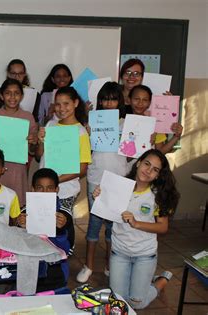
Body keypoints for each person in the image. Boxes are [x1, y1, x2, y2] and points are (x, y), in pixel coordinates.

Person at [93, 149, 179, 309]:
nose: (148, 170)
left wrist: (136, 223)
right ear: (138, 162)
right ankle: (146, 282)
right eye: (147, 164)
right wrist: (99, 197)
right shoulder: (119, 186)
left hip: (145, 255)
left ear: (158, 175)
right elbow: (107, 215)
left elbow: (163, 227)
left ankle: (160, 282)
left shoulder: (157, 195)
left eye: (155, 169)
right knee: (119, 302)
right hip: (119, 253)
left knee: (136, 304)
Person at [76, 82, 127, 283]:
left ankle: (109, 265)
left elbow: (131, 154)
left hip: (118, 179)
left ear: (120, 101)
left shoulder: (125, 123)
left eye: (113, 98)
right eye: (105, 99)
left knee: (113, 227)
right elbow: (84, 150)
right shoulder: (92, 121)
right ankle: (88, 265)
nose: (108, 103)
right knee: (94, 224)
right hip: (96, 178)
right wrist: (88, 132)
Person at [36, 86, 91, 254]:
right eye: (58, 104)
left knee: (62, 220)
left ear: (75, 103)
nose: (61, 108)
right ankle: (46, 251)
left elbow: (82, 169)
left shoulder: (81, 132)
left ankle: (66, 250)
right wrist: (40, 140)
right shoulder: (51, 125)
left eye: (66, 103)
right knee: (44, 220)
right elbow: (39, 156)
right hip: (45, 187)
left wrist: (56, 181)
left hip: (66, 188)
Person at [0, 78, 38, 206]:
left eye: (16, 93)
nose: (12, 97)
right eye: (8, 93)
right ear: (1, 95)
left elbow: (33, 151)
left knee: (17, 206)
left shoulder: (28, 117)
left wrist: (32, 142)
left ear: (21, 96)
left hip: (18, 169)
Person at [19, 168, 72, 291]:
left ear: (56, 190)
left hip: (56, 269)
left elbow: (69, 248)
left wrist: (61, 229)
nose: (44, 192)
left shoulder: (64, 215)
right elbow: (17, 243)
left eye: (49, 188)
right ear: (32, 189)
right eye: (40, 188)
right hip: (30, 269)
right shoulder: (24, 213)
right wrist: (20, 225)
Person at [128, 85, 183, 154]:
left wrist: (176, 136)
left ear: (149, 103)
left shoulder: (155, 123)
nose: (140, 103)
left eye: (145, 100)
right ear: (129, 100)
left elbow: (160, 151)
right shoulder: (121, 120)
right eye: (136, 99)